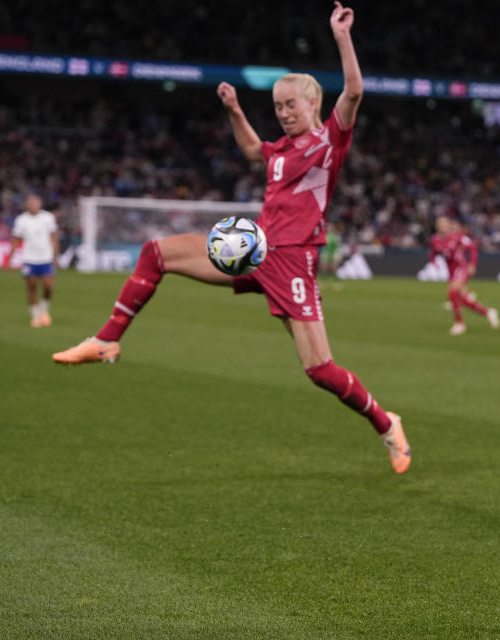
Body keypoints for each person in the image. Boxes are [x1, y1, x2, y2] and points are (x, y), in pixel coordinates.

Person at [52, 2, 411, 475]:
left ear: (312, 105)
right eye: (277, 106)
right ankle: (106, 341)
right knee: (155, 253)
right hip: (254, 251)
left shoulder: (329, 142)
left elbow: (355, 90)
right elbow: (249, 148)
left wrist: (341, 37)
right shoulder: (280, 150)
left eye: (290, 105)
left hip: (295, 262)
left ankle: (388, 425)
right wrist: (236, 110)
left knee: (320, 370)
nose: (282, 113)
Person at [427, 216, 499, 335]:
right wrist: (434, 263)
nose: (442, 226)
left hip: (461, 268)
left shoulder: (457, 237)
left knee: (452, 292)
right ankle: (488, 312)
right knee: (461, 299)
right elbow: (433, 254)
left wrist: (472, 264)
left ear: (449, 225)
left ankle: (459, 324)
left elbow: (472, 248)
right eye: (440, 224)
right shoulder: (435, 240)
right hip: (451, 272)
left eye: (444, 224)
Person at [11, 194, 59, 328]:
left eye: (35, 202)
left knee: (48, 286)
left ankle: (43, 309)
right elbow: (16, 239)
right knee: (31, 286)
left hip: (46, 257)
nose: (33, 205)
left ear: (40, 204)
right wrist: (10, 257)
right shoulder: (21, 220)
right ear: (27, 205)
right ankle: (35, 316)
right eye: (31, 203)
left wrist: (55, 255)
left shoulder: (48, 217)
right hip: (29, 258)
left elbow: (53, 237)